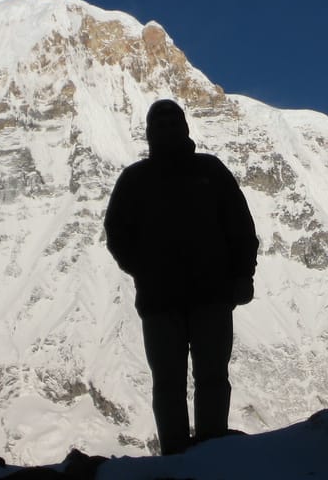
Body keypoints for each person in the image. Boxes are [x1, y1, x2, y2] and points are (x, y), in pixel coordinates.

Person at [104, 99, 259, 455]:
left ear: (185, 129)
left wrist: (242, 275)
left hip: (210, 296)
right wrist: (143, 270)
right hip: (162, 301)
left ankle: (210, 449)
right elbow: (117, 234)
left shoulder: (210, 171)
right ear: (150, 133)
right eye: (162, 126)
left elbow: (240, 227)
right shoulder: (136, 179)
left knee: (211, 377)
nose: (169, 131)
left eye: (174, 124)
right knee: (169, 382)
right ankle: (177, 454)